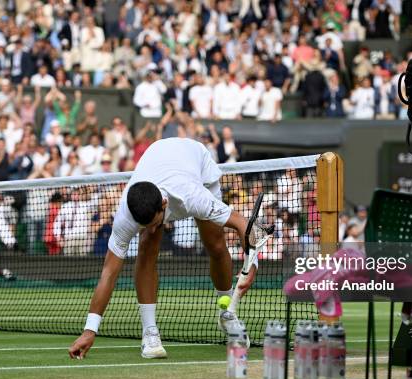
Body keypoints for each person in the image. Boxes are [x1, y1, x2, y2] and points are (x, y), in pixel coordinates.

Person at [68, 138, 270, 360]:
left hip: (196, 164)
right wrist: (90, 330)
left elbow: (242, 224)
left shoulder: (194, 197)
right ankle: (150, 332)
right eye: (145, 225)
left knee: (215, 243)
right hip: (160, 157)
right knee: (147, 244)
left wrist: (253, 264)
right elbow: (108, 273)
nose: (154, 229)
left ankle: (227, 313)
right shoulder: (126, 215)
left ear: (164, 204)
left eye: (155, 222)